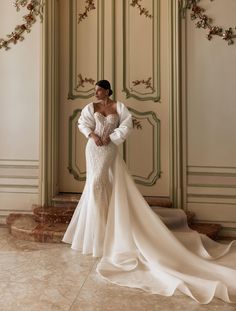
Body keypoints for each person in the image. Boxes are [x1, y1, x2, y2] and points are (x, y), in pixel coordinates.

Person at [62, 80, 236, 304]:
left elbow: (126, 125)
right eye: (94, 90)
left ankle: (107, 231)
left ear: (107, 90)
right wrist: (93, 136)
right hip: (93, 149)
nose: (96, 93)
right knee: (95, 184)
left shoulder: (119, 107)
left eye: (99, 90)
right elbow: (82, 123)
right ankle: (97, 234)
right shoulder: (91, 108)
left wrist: (111, 137)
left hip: (109, 149)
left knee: (102, 185)